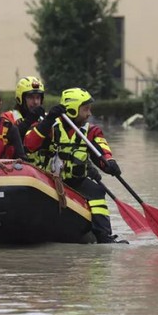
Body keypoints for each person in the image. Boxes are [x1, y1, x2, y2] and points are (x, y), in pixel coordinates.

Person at [24, 87, 127, 244]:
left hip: (75, 180)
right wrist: (48, 121)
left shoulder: (92, 131)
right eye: (85, 109)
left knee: (97, 191)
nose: (89, 114)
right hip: (49, 181)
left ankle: (104, 236)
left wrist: (109, 164)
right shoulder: (49, 126)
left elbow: (102, 152)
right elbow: (29, 145)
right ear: (72, 110)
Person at [2, 76, 50, 168]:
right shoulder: (8, 117)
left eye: (38, 97)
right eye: (31, 97)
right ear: (21, 99)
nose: (35, 102)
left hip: (43, 172)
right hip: (15, 169)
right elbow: (6, 142)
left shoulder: (46, 119)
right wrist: (29, 120)